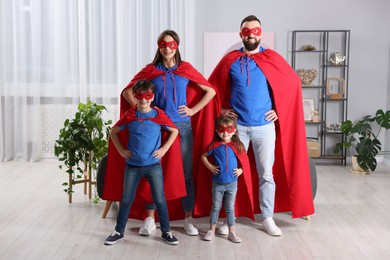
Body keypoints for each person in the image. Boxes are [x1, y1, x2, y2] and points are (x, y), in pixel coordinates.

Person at [206, 15, 315, 236]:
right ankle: (231, 217)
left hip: (264, 128)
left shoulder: (271, 58)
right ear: (241, 35)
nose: (251, 35)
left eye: (255, 31)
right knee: (232, 173)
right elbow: (212, 88)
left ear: (261, 33)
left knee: (267, 174)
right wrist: (222, 110)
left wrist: (280, 109)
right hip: (237, 129)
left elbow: (291, 84)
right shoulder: (231, 61)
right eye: (247, 31)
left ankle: (267, 217)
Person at [103, 30, 216, 236]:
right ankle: (150, 219)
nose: (167, 48)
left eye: (171, 44)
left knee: (186, 173)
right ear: (158, 46)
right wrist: (145, 110)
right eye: (163, 44)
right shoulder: (151, 70)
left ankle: (187, 218)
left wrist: (192, 110)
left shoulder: (185, 68)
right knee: (153, 172)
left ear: (177, 46)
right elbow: (128, 91)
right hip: (156, 128)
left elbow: (210, 91)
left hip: (181, 127)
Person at [104, 79, 179, 246]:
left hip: (153, 166)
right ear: (135, 96)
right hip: (133, 166)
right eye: (139, 96)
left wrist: (165, 149)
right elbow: (113, 131)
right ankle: (118, 231)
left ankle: (166, 231)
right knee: (126, 199)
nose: (143, 100)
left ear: (152, 97)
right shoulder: (130, 116)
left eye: (147, 96)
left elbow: (174, 130)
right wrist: (121, 150)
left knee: (160, 199)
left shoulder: (158, 115)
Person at [201, 116, 249, 243]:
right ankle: (211, 230)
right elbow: (203, 156)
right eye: (221, 129)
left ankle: (232, 232)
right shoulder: (214, 146)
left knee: (230, 208)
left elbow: (244, 161)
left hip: (232, 183)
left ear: (234, 131)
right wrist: (210, 167)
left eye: (229, 129)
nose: (225, 132)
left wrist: (241, 170)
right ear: (217, 131)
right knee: (215, 206)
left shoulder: (237, 146)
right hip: (218, 183)